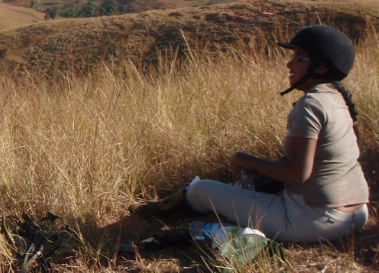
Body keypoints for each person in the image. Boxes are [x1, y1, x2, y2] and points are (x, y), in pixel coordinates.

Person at [133, 25, 369, 243]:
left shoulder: (310, 105)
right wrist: (264, 169)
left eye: (298, 58)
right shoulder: (337, 98)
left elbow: (297, 173)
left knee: (201, 189)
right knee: (251, 185)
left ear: (320, 67)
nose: (290, 64)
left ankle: (154, 212)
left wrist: (246, 160)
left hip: (315, 221)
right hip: (356, 215)